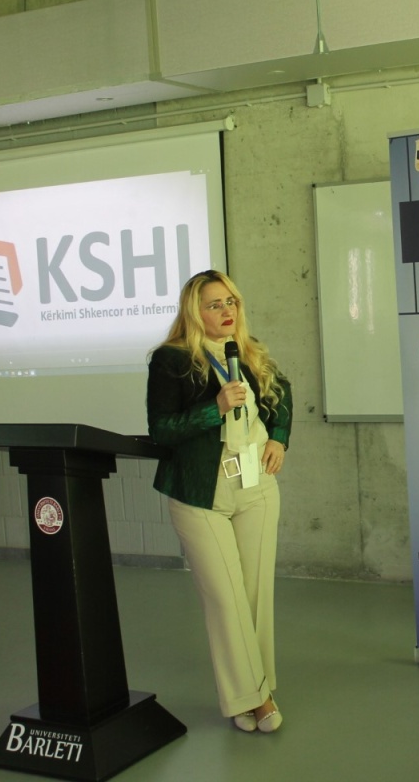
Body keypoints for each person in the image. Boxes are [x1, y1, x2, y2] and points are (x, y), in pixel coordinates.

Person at [146, 270, 292, 733]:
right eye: (214, 304)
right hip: (201, 492)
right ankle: (258, 698)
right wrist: (217, 407)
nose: (226, 311)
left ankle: (250, 695)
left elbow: (283, 395)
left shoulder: (248, 350)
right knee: (226, 600)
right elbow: (161, 430)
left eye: (231, 302)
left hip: (257, 485)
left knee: (254, 597)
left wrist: (280, 439)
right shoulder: (171, 360)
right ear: (195, 311)